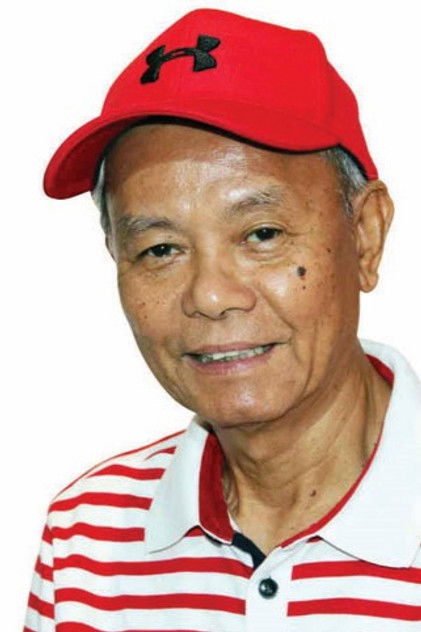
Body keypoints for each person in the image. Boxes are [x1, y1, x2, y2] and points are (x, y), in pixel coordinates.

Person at [23, 8, 421, 631]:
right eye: (160, 249)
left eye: (262, 234)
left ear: (365, 235)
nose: (210, 296)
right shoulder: (87, 540)